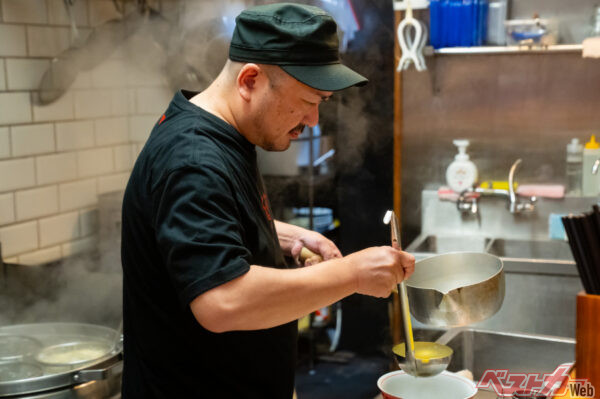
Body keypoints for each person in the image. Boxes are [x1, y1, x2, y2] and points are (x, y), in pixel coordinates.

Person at [120, 3, 415, 398]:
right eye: (309, 100)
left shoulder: (216, 132)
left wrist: (280, 235)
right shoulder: (193, 160)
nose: (313, 121)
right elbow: (222, 300)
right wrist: (354, 275)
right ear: (250, 80)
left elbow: (207, 223)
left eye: (321, 103)